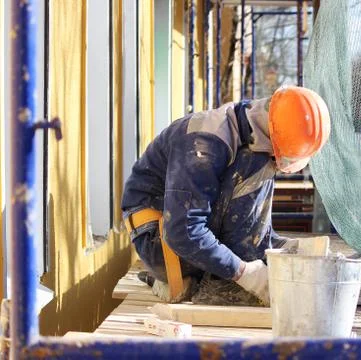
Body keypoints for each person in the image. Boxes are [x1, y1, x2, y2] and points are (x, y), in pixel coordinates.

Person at [121, 85, 330, 305]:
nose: (278, 164)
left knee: (257, 162)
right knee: (256, 162)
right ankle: (222, 284)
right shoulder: (204, 145)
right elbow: (183, 230)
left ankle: (217, 274)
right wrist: (246, 274)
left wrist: (290, 249)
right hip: (160, 242)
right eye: (280, 156)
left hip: (175, 235)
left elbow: (248, 226)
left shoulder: (250, 125)